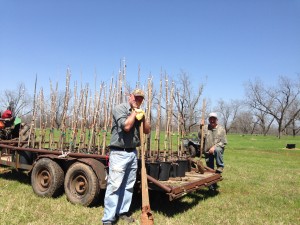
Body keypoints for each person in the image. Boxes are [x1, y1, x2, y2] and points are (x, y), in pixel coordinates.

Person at [102, 88, 151, 225]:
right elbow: (126, 126)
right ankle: (108, 219)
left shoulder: (140, 112)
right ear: (130, 96)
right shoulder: (120, 109)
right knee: (115, 186)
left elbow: (147, 130)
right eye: (136, 97)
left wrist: (144, 116)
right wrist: (135, 112)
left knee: (128, 186)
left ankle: (122, 212)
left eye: (141, 99)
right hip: (119, 152)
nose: (138, 100)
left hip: (132, 153)